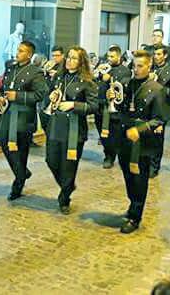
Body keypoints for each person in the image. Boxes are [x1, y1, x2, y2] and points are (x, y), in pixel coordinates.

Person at [112, 50, 170, 233]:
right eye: (134, 66)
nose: (136, 70)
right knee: (128, 176)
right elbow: (122, 108)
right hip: (124, 139)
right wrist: (113, 99)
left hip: (143, 142)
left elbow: (160, 119)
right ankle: (132, 204)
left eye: (140, 66)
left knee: (139, 180)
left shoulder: (157, 89)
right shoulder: (127, 84)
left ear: (149, 66)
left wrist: (140, 129)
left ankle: (135, 217)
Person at [45, 46, 97, 214]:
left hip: (74, 130)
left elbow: (94, 106)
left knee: (68, 166)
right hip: (56, 126)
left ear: (81, 62)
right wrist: (51, 97)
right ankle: (68, 185)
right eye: (68, 57)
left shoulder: (87, 82)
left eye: (74, 58)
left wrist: (74, 105)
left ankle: (64, 198)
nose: (69, 60)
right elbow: (49, 96)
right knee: (51, 160)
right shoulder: (59, 77)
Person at [0, 41, 47, 200]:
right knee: (4, 143)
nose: (17, 53)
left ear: (29, 54)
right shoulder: (11, 67)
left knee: (21, 151)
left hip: (24, 117)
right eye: (17, 50)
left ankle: (18, 185)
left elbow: (40, 95)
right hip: (8, 114)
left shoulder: (36, 72)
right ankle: (22, 172)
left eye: (21, 51)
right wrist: (0, 98)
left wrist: (18, 96)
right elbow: (4, 88)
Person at [93, 45, 131, 169]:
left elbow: (123, 88)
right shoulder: (104, 67)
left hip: (115, 108)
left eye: (112, 56)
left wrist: (108, 79)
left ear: (119, 57)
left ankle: (111, 156)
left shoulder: (125, 71)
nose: (109, 58)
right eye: (108, 56)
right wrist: (98, 74)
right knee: (102, 134)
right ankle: (108, 153)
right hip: (100, 105)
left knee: (114, 135)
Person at [150, 46, 170, 177]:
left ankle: (154, 166)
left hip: (160, 108)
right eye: (154, 54)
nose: (155, 56)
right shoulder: (149, 68)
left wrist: (162, 89)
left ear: (165, 56)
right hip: (147, 107)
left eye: (158, 54)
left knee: (157, 139)